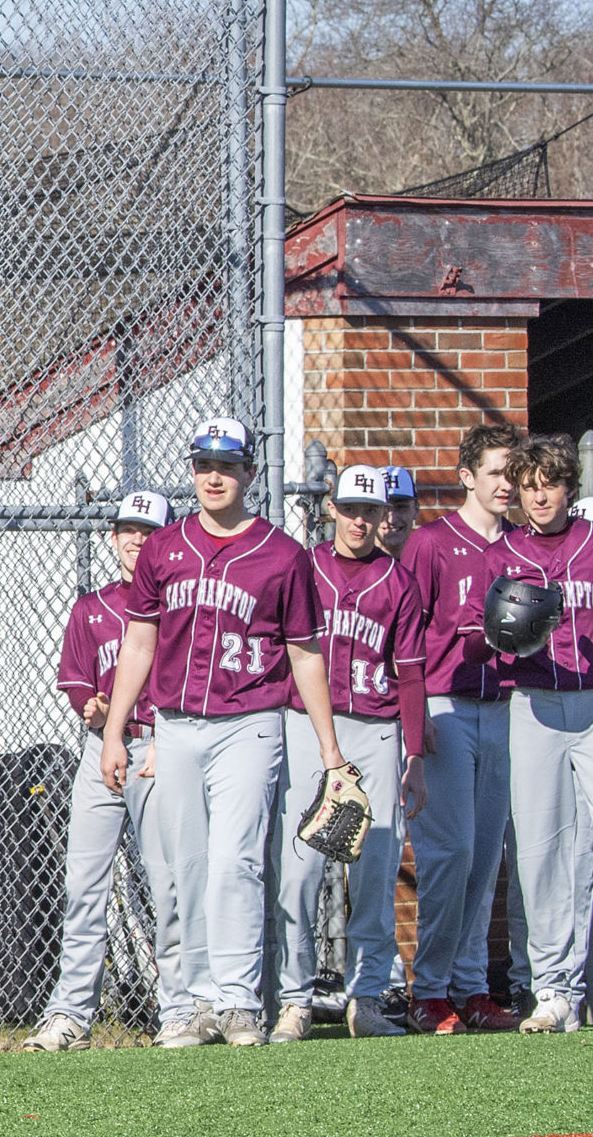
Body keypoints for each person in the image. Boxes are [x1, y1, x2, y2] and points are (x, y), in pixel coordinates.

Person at [102, 418, 343, 1047]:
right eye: (204, 463)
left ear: (249, 474)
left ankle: (237, 1001)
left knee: (237, 860)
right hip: (176, 724)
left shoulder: (282, 554)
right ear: (192, 470)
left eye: (228, 465)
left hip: (251, 722)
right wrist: (115, 731)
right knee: (185, 865)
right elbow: (140, 641)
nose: (215, 475)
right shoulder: (165, 548)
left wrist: (330, 750)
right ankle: (185, 1004)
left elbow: (305, 652)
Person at [26, 490, 192, 1051]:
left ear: (167, 539)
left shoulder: (179, 606)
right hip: (102, 752)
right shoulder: (91, 608)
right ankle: (71, 1013)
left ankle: (180, 1008)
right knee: (84, 884)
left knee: (166, 884)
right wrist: (91, 711)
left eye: (148, 530)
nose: (136, 539)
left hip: (159, 748)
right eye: (126, 528)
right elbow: (77, 681)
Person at [271, 465, 426, 1041]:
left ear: (384, 514)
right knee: (301, 869)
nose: (360, 520)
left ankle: (366, 998)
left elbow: (410, 674)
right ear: (331, 508)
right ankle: (295, 997)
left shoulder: (397, 581)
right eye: (350, 508)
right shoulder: (304, 567)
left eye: (371, 510)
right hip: (308, 725)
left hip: (376, 727)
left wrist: (416, 757)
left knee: (376, 870)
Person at [401, 424, 524, 1034]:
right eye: (497, 471)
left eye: (514, 472)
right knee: (447, 854)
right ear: (467, 475)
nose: (508, 483)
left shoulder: (524, 547)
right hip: (446, 707)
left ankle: (472, 987)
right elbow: (407, 638)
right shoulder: (429, 543)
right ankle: (430, 990)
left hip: (505, 707)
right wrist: (415, 717)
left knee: (486, 855)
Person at [492, 433, 593, 1033]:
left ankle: (586, 983)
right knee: (538, 849)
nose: (540, 497)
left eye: (551, 484)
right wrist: (494, 636)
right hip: (533, 704)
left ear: (570, 488)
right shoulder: (504, 551)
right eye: (530, 486)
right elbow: (473, 633)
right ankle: (554, 990)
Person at [380, 466, 419, 555]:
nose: (391, 519)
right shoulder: (353, 566)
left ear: (416, 509)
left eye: (401, 507)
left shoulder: (428, 563)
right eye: (384, 508)